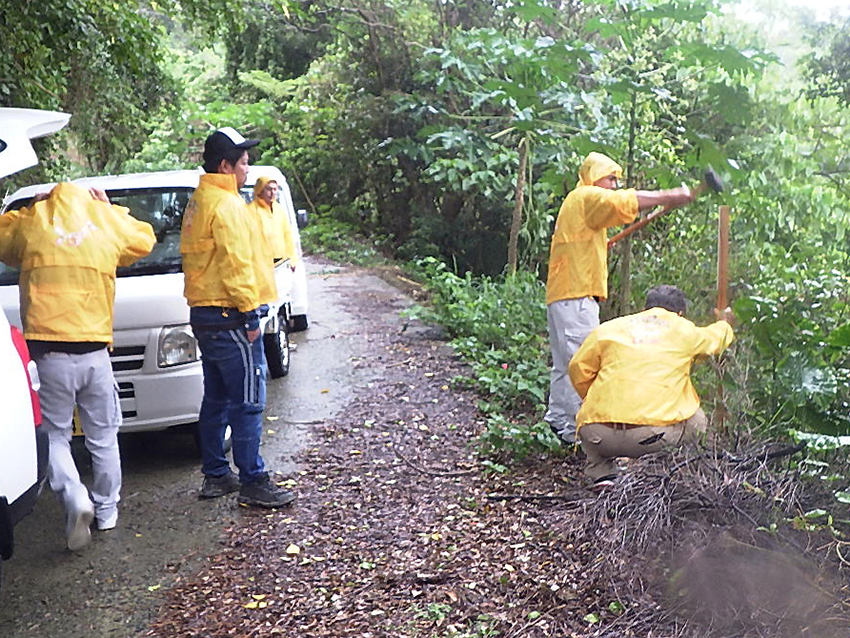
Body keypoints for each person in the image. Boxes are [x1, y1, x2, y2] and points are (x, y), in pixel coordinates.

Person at [0, 183, 155, 550]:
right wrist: (112, 208)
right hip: (95, 352)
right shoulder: (104, 219)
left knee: (54, 435)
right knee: (104, 435)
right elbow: (144, 240)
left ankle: (74, 496)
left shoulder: (33, 221)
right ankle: (108, 511)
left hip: (49, 354)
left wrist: (30, 209)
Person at [544, 152, 694, 444]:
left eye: (616, 179)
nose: (614, 184)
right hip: (575, 296)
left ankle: (562, 423)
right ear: (594, 176)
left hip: (566, 295)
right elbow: (622, 202)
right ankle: (587, 432)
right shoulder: (586, 196)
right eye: (610, 177)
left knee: (566, 362)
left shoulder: (581, 207)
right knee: (584, 362)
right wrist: (670, 195)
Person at [181, 126, 295, 508]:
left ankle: (216, 474)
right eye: (244, 162)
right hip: (231, 315)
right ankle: (253, 479)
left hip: (205, 314)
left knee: (215, 398)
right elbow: (236, 266)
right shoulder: (227, 206)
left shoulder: (200, 201)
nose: (249, 169)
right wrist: (250, 315)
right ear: (226, 165)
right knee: (248, 400)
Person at [568, 285, 734, 488]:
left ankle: (601, 472)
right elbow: (716, 339)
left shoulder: (608, 329)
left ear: (645, 308)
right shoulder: (683, 330)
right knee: (697, 420)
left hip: (599, 436)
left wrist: (593, 399)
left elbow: (577, 368)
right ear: (680, 314)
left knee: (588, 409)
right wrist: (724, 323)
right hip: (654, 438)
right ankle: (673, 471)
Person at [249, 175, 299, 270]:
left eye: (275, 189)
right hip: (260, 266)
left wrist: (292, 258)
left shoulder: (279, 209)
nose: (272, 193)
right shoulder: (251, 210)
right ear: (260, 190)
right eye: (269, 189)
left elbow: (287, 235)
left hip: (282, 264)